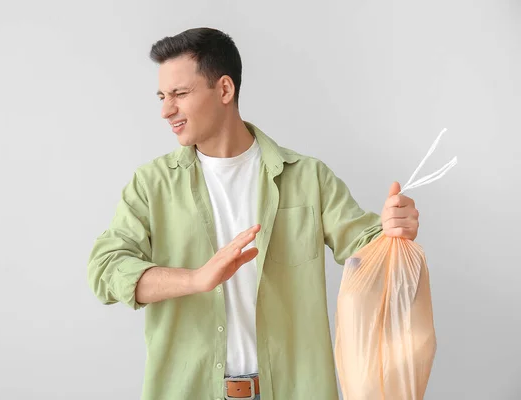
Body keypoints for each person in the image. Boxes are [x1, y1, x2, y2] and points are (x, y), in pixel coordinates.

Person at [87, 27, 419, 400]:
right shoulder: (151, 185)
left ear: (225, 90)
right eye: (163, 96)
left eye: (179, 94)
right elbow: (105, 269)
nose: (166, 110)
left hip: (292, 390)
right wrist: (195, 279)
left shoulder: (308, 177)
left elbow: (368, 251)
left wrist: (394, 232)